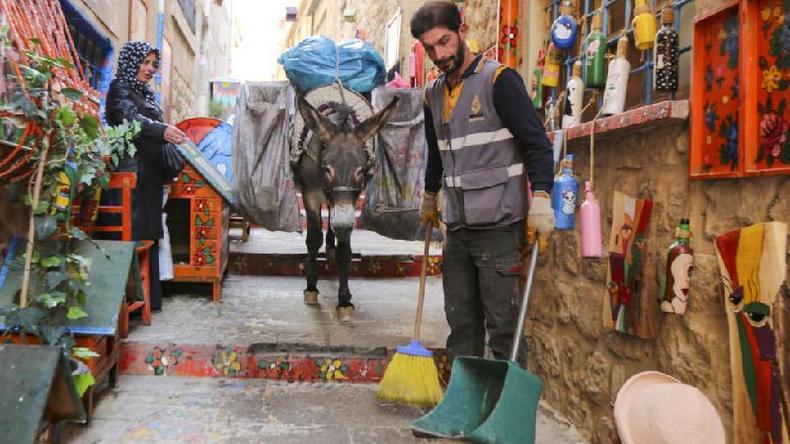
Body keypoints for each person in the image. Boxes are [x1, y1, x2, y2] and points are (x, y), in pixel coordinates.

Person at [411, 2, 555, 360]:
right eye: (430, 48)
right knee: (461, 323)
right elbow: (437, 152)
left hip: (499, 227)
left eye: (444, 41)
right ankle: (467, 405)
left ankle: (506, 410)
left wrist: (541, 197)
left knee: (504, 326)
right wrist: (431, 196)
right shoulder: (432, 95)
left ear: (463, 30)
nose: (439, 54)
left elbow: (537, 144)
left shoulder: (498, 81)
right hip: (457, 228)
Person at [105, 41, 188, 311]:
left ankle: (147, 301)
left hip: (149, 177)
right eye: (145, 63)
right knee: (131, 235)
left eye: (154, 64)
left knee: (149, 235)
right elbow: (129, 119)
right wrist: (162, 130)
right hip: (130, 177)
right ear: (132, 63)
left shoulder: (147, 94)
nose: (150, 69)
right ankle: (125, 302)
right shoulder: (120, 89)